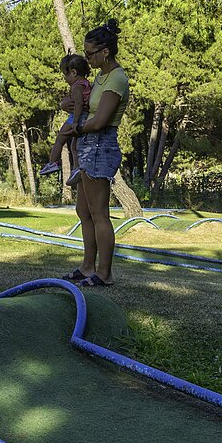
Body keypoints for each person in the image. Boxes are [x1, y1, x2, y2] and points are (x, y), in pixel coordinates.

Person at [58, 20, 129, 287]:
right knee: (83, 210)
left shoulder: (117, 78)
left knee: (99, 212)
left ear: (105, 52)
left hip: (101, 144)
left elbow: (100, 121)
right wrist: (70, 105)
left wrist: (75, 129)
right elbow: (83, 105)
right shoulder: (100, 77)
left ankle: (104, 272)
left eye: (90, 54)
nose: (87, 59)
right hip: (88, 144)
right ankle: (88, 267)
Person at [38, 54, 92, 185]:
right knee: (74, 146)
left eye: (65, 74)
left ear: (73, 72)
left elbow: (79, 104)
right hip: (86, 117)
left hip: (76, 118)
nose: (64, 78)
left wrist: (74, 122)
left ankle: (52, 163)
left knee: (59, 140)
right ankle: (76, 168)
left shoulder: (76, 86)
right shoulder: (87, 84)